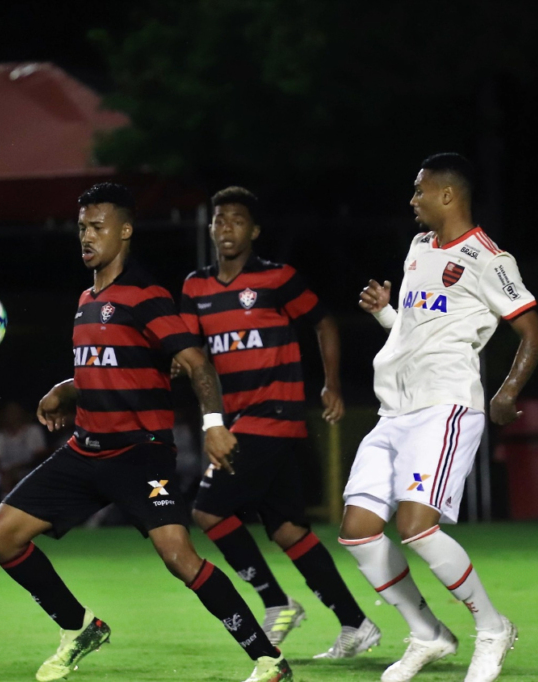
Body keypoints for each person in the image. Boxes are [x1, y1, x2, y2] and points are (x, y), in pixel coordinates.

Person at [0, 183, 293, 682]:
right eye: (82, 227)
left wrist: (214, 426)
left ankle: (269, 660)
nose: (87, 236)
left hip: (139, 456)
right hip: (85, 450)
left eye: (97, 226)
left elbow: (196, 363)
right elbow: (104, 370)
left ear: (124, 231)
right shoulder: (86, 299)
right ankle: (79, 627)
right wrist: (64, 390)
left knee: (178, 556)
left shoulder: (146, 296)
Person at [340, 154, 538, 682]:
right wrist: (387, 314)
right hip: (394, 408)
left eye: (419, 191)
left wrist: (507, 391)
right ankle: (428, 634)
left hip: (444, 406)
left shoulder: (490, 259)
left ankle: (493, 627)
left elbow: (533, 332)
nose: (412, 200)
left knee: (415, 525)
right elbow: (416, 328)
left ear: (448, 195)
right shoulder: (419, 247)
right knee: (358, 531)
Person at [177, 186, 379, 657]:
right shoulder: (195, 287)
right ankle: (356, 624)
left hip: (272, 416)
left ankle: (276, 602)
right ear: (211, 228)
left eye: (237, 220)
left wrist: (330, 384)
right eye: (219, 219)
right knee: (288, 530)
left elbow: (324, 322)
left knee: (207, 510)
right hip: (242, 420)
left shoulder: (277, 278)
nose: (226, 228)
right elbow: (191, 352)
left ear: (255, 230)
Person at [0, 401, 47, 493]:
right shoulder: (0, 435)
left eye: (14, 411)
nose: (12, 415)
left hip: (29, 470)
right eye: (8, 412)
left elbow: (40, 456)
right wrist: (2, 470)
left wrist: (19, 468)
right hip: (4, 473)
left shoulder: (33, 431)